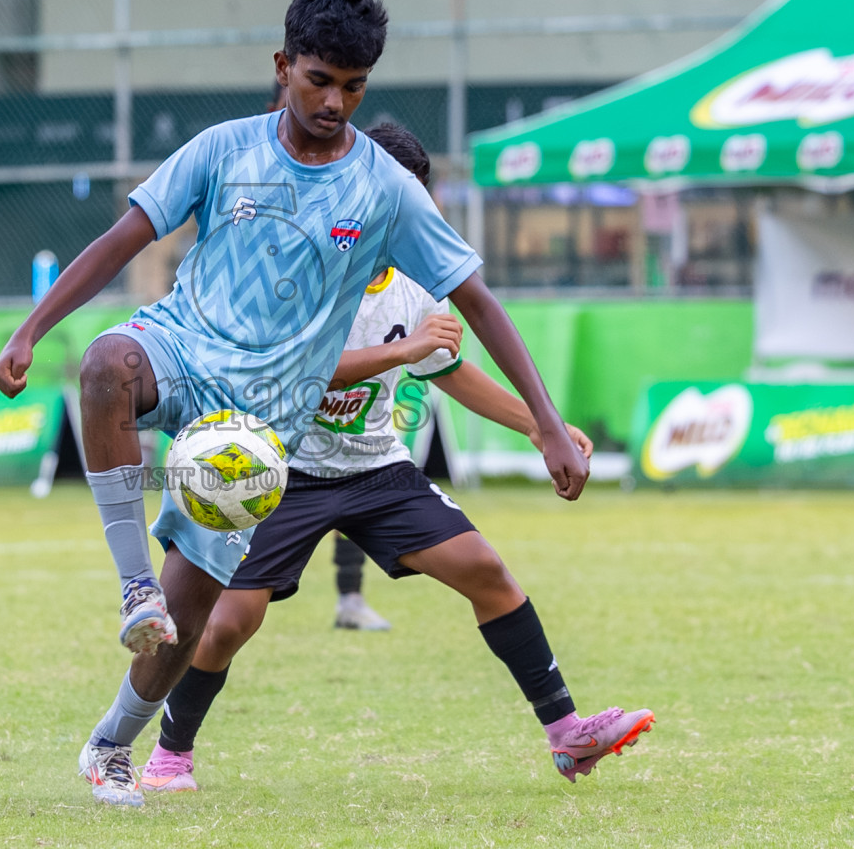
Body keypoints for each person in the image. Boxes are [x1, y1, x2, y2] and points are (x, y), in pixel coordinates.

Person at [0, 0, 590, 807]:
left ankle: (113, 743)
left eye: (354, 87)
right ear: (283, 65)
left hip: (264, 420)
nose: (335, 102)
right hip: (181, 350)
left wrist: (549, 425)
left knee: (193, 618)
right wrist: (29, 328)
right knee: (103, 364)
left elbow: (478, 302)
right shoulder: (222, 148)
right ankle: (130, 584)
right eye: (319, 80)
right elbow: (123, 237)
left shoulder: (385, 189)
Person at [138, 123, 652, 795]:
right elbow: (298, 373)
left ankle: (568, 735)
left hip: (377, 470)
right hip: (284, 470)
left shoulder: (417, 286)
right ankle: (169, 756)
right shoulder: (301, 270)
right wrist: (401, 353)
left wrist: (541, 426)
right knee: (230, 621)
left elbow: (452, 371)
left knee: (486, 570)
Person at [267, 76, 391, 633]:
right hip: (268, 409)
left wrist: (540, 425)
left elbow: (455, 369)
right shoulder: (251, 177)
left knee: (359, 459)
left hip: (343, 432)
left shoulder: (360, 187)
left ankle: (349, 598)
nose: (331, 104)